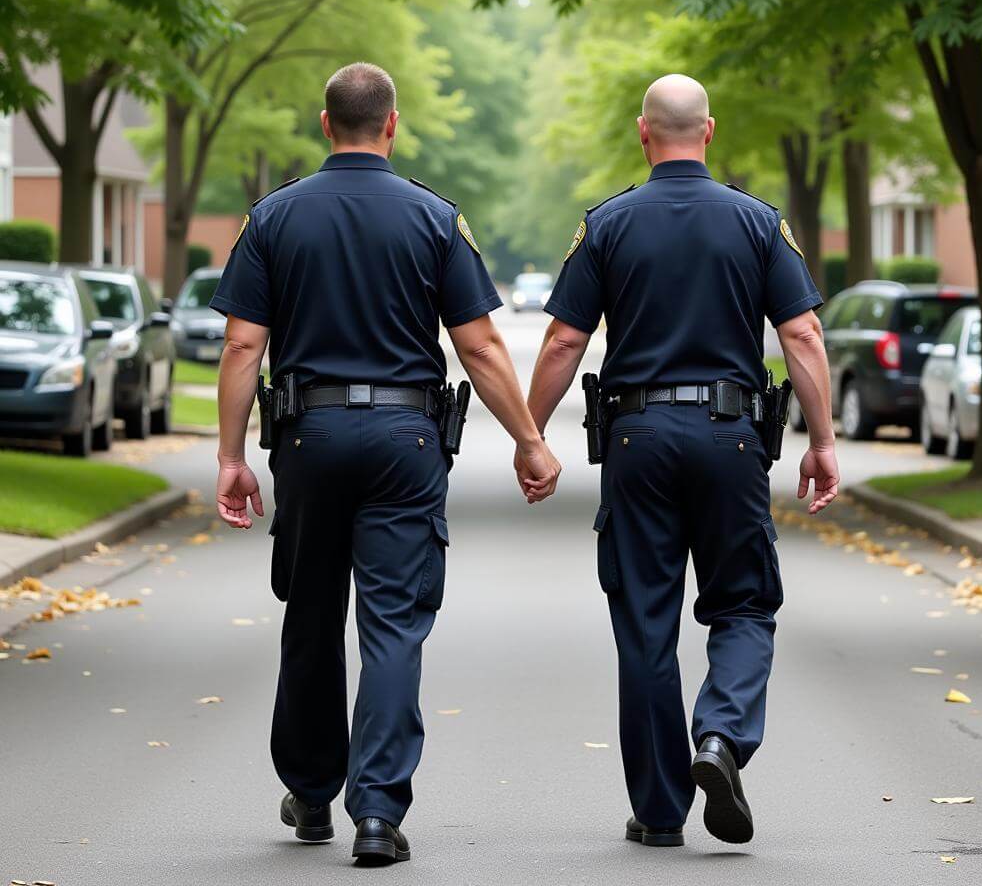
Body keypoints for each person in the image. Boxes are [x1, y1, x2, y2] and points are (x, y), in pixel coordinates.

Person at [212, 62, 561, 866]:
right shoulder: (435, 218)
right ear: (392, 125)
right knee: (394, 624)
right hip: (406, 443)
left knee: (310, 613)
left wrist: (232, 458)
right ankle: (377, 813)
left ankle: (308, 794)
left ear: (326, 124)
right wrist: (529, 440)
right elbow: (476, 344)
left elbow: (241, 344)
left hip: (309, 436)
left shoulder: (272, 217)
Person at [520, 74, 838, 849]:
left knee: (645, 624)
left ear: (643, 133)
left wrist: (532, 435)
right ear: (710, 130)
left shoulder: (608, 224)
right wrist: (823, 443)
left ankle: (660, 812)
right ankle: (722, 737)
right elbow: (801, 336)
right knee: (744, 603)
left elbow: (565, 339)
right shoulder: (760, 223)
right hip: (732, 439)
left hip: (638, 440)